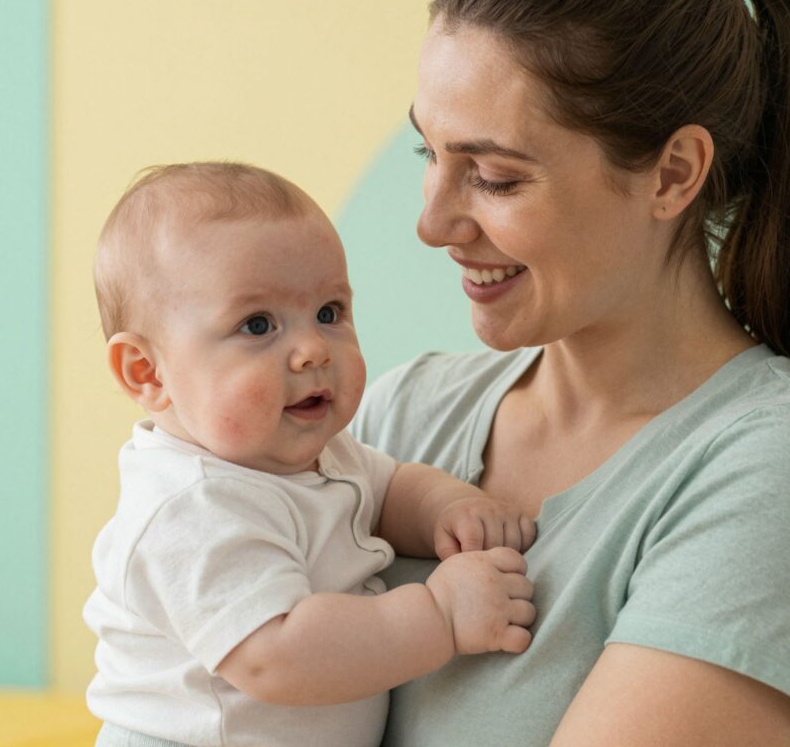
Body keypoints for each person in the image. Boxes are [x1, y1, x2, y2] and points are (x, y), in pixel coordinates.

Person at [350, 0, 790, 745]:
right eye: (427, 153)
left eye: (496, 177)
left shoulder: (783, 473)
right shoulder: (404, 413)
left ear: (673, 174)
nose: (431, 223)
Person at [83, 162, 537, 747]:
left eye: (329, 313)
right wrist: (441, 615)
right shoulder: (190, 506)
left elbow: (388, 490)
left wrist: (447, 507)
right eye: (257, 325)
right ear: (148, 372)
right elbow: (277, 654)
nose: (312, 350)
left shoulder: (317, 454)